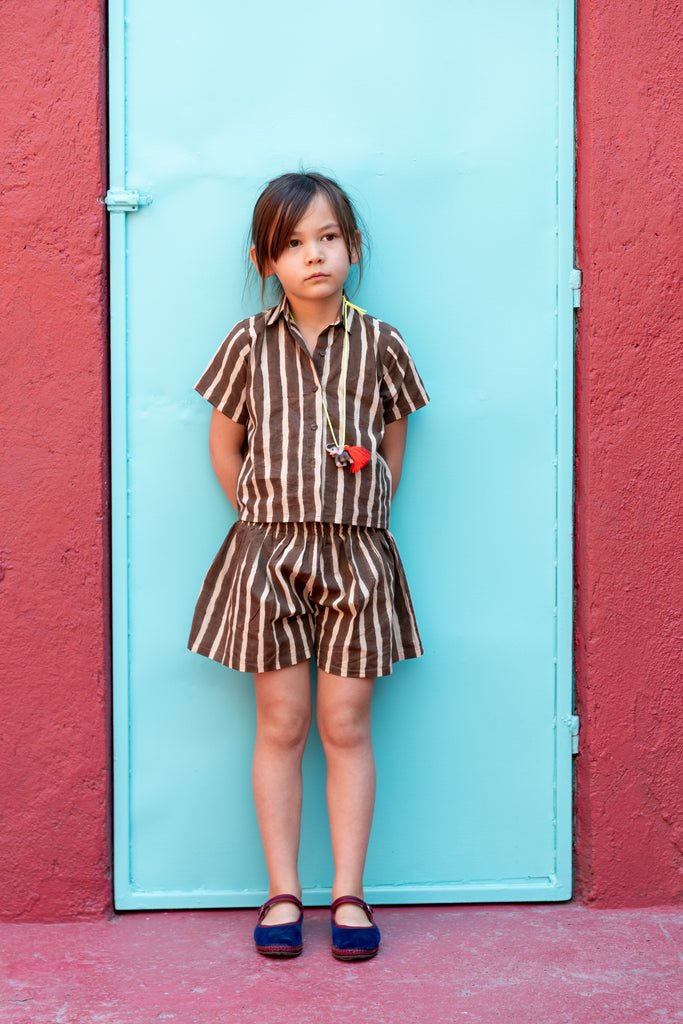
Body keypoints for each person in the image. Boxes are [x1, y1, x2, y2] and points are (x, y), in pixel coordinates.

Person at [188, 171, 429, 960]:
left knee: (344, 723)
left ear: (352, 249)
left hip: (357, 554)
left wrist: (371, 499)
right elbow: (224, 446)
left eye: (327, 237)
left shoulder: (382, 342)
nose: (313, 255)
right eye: (292, 244)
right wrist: (261, 517)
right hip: (268, 553)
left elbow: (393, 437)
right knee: (282, 723)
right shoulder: (246, 342)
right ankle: (283, 891)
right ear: (265, 260)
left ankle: (349, 895)